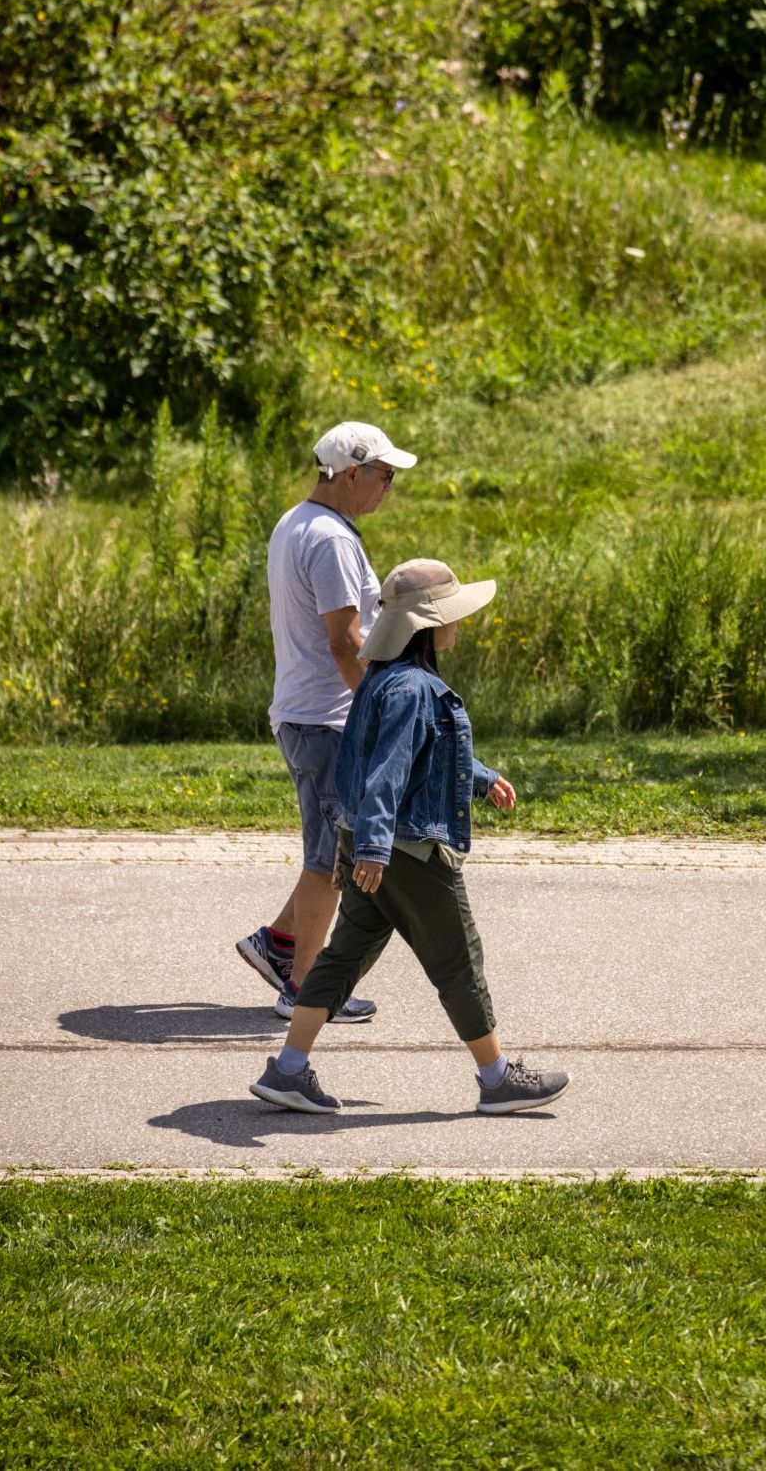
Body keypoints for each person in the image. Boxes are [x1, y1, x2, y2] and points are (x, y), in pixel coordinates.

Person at [249, 559, 571, 1116]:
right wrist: (374, 848)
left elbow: (429, 758)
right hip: (407, 851)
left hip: (373, 846)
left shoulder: (382, 679)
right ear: (427, 624)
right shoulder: (415, 689)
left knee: (343, 957)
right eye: (451, 615)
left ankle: (288, 1069)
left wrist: (483, 778)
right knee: (458, 960)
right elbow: (387, 772)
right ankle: (497, 1080)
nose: (458, 624)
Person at [236, 421, 416, 1021]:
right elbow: (346, 642)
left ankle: (279, 943)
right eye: (384, 475)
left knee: (326, 847)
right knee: (330, 860)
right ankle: (306, 989)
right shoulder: (334, 541)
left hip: (304, 713)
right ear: (350, 473)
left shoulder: (296, 523)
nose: (388, 488)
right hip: (327, 719)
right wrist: (378, 709)